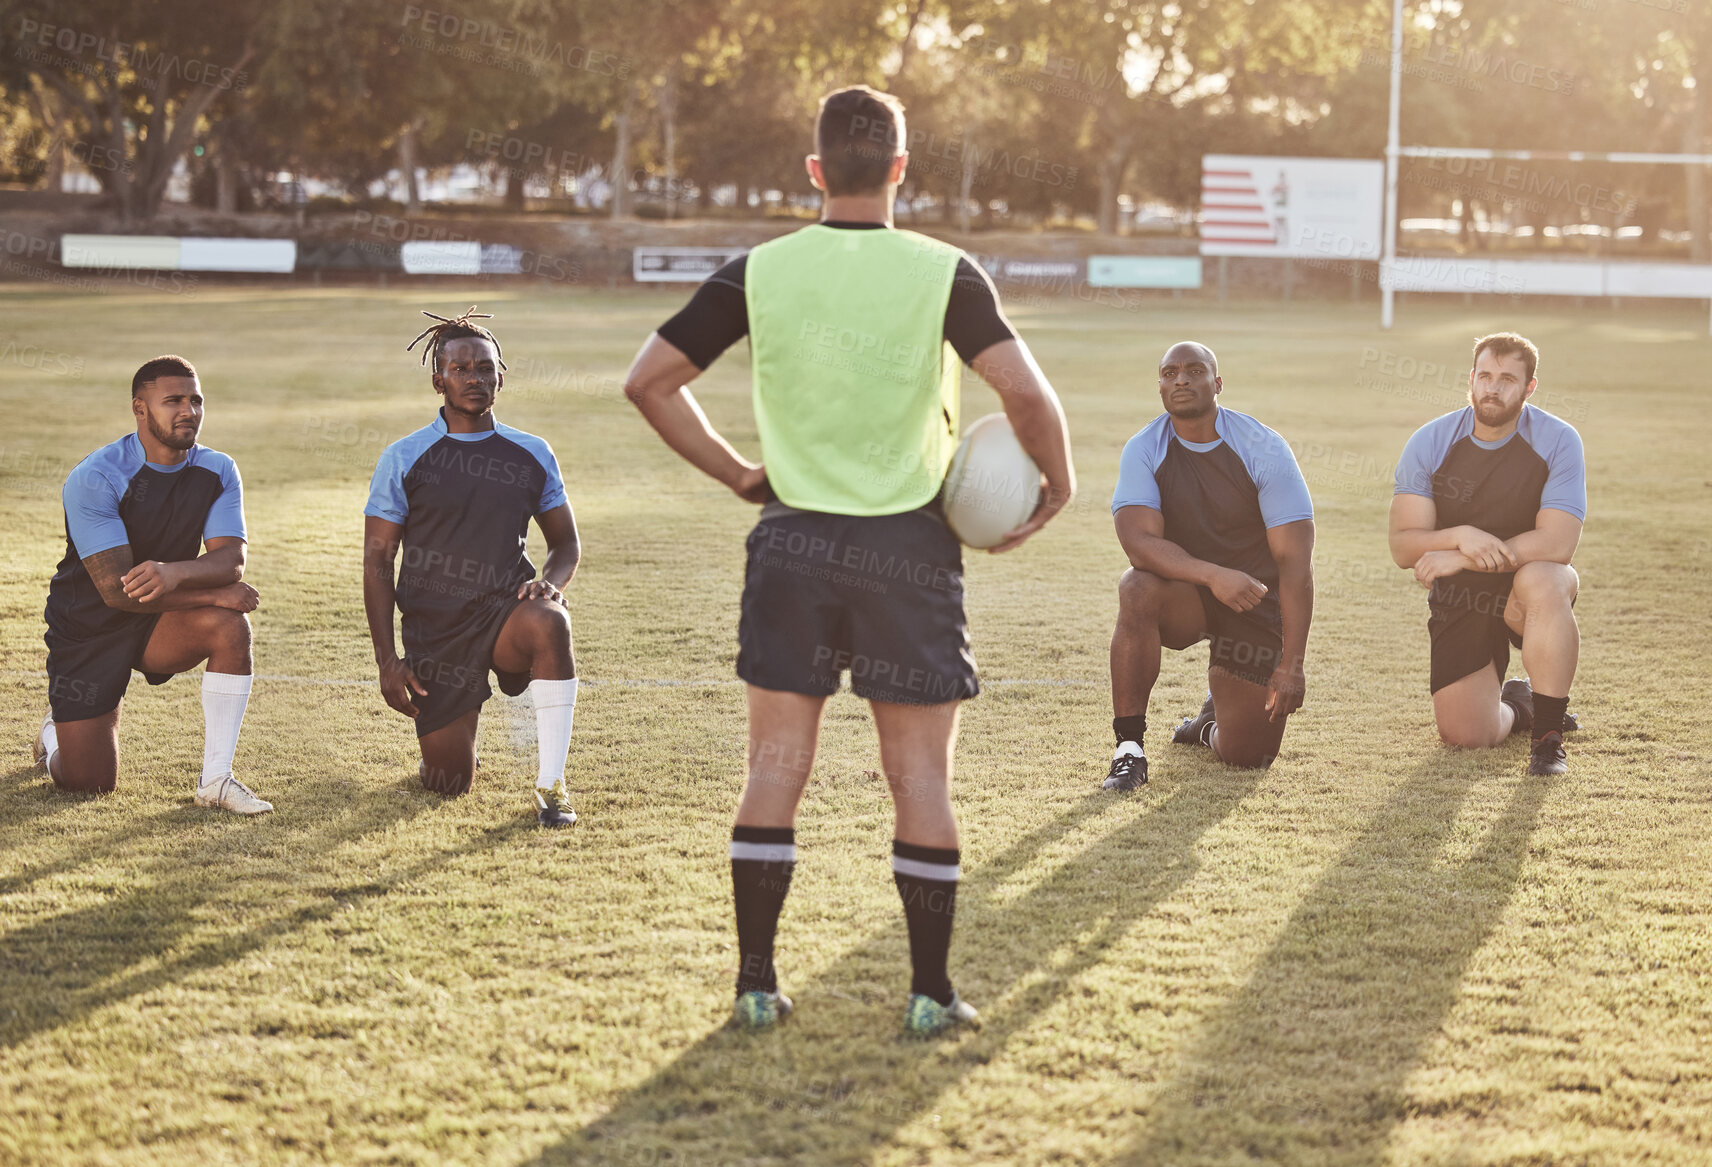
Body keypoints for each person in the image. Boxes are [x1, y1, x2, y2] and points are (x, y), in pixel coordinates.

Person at [622, 85, 1075, 1035]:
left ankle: (754, 985)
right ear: (902, 169)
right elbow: (1026, 396)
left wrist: (743, 475)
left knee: (774, 768)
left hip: (791, 540)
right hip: (907, 545)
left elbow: (650, 382)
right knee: (919, 780)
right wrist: (1058, 483)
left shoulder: (763, 268)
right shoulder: (943, 270)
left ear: (816, 171)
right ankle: (927, 994)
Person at [363, 308, 583, 825]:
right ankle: (452, 739)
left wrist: (547, 585)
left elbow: (566, 543)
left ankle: (552, 786)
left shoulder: (531, 452)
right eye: (460, 369)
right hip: (436, 630)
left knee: (550, 620)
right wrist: (386, 660)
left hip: (506, 611)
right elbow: (377, 561)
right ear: (438, 379)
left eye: (485, 368)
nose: (474, 378)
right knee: (448, 783)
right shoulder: (404, 456)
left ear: (500, 376)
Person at [35, 355, 271, 814]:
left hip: (160, 618)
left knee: (229, 627)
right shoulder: (97, 476)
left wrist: (174, 571)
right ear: (140, 409)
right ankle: (52, 737)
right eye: (173, 401)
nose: (189, 411)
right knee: (88, 782)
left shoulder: (218, 470)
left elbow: (230, 560)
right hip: (89, 627)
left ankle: (216, 781)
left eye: (196, 400)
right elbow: (117, 592)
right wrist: (212, 592)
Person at [1105, 341, 1315, 790]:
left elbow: (1295, 565)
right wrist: (1212, 575)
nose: (1180, 379)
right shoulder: (1144, 447)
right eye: (1169, 373)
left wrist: (1292, 664)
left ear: (1217, 383)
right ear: (1160, 386)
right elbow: (1138, 543)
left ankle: (1205, 725)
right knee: (1136, 586)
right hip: (1189, 595)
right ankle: (1129, 749)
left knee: (1248, 756)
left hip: (1253, 601)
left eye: (1194, 371)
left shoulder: (1263, 446)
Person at [1388, 331, 1584, 776]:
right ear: (1471, 379)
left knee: (1546, 579)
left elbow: (1558, 543)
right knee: (1467, 735)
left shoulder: (1558, 440)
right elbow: (1403, 544)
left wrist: (1459, 555)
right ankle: (1521, 705)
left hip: (1527, 585)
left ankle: (1548, 739)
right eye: (1485, 376)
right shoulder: (1430, 441)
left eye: (1508, 379)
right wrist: (1459, 534)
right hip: (1462, 595)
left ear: (1530, 387)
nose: (1493, 388)